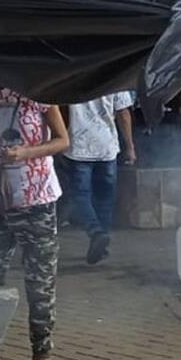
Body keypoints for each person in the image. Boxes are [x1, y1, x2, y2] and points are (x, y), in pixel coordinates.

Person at [0, 79, 70, 360]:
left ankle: (42, 358)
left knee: (39, 281)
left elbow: (62, 140)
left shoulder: (37, 86)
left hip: (36, 198)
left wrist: (28, 152)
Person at [63, 90, 136, 265]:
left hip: (78, 147)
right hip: (107, 146)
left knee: (80, 196)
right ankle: (101, 242)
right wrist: (130, 146)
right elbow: (123, 113)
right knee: (105, 198)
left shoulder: (73, 74)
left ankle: (96, 233)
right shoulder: (116, 76)